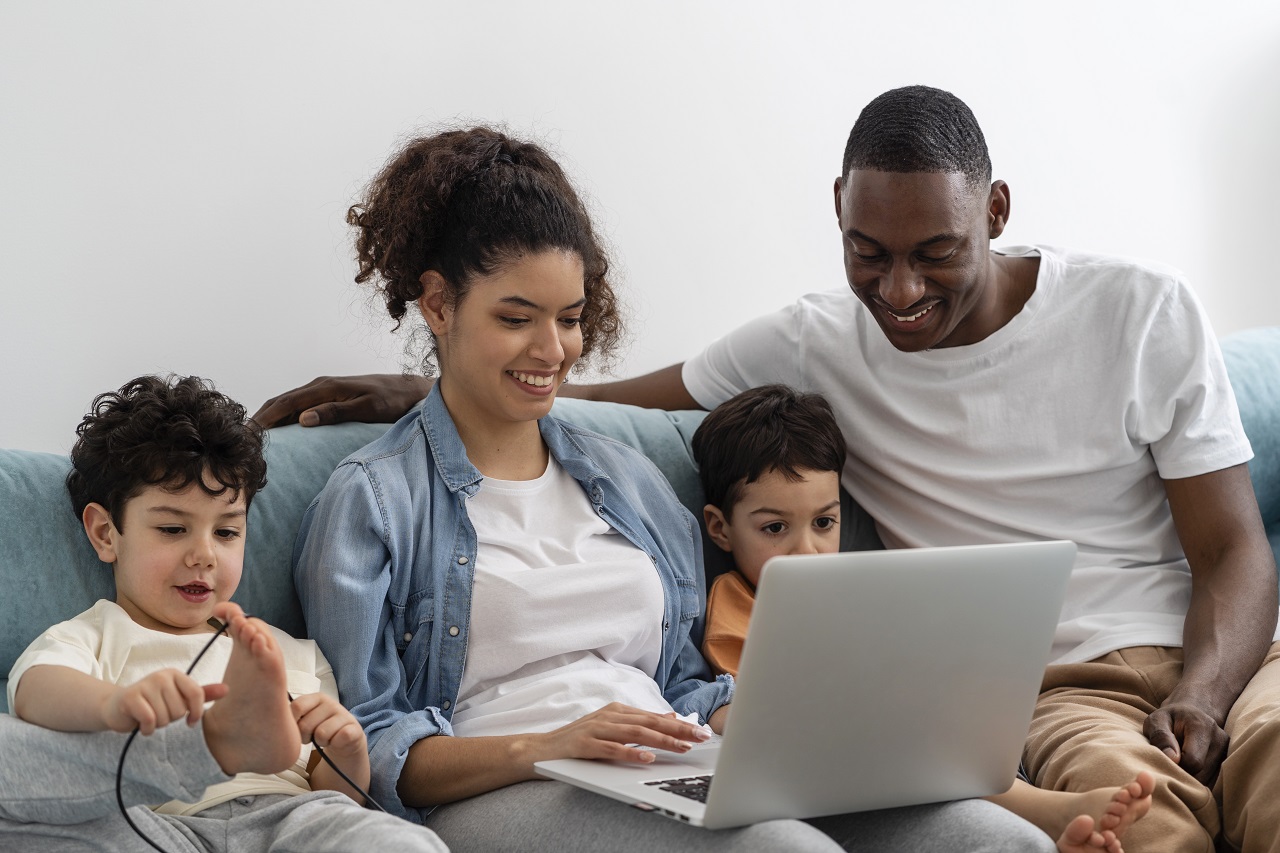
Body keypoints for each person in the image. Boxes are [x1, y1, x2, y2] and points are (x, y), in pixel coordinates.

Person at [255, 87, 1280, 853]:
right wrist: (410, 393)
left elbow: (691, 676)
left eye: (569, 321)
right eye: (513, 320)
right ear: (437, 308)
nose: (552, 350)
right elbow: (374, 746)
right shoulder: (373, 500)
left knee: (999, 841)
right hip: (508, 774)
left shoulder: (622, 480)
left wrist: (743, 722)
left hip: (674, 759)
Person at [691, 383, 1154, 852]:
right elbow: (760, 706)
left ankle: (1046, 817)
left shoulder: (863, 586)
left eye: (824, 523)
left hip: (892, 747)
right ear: (720, 528)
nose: (806, 549)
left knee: (950, 736)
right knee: (919, 741)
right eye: (775, 528)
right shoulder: (736, 601)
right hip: (816, 756)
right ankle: (1050, 812)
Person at [0, 375, 447, 853]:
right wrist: (113, 706)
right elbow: (35, 692)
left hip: (292, 819)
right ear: (106, 533)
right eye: (173, 529)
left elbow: (334, 795)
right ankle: (213, 746)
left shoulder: (282, 652)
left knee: (397, 842)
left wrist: (348, 752)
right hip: (163, 826)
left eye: (227, 533)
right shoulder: (96, 634)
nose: (204, 555)